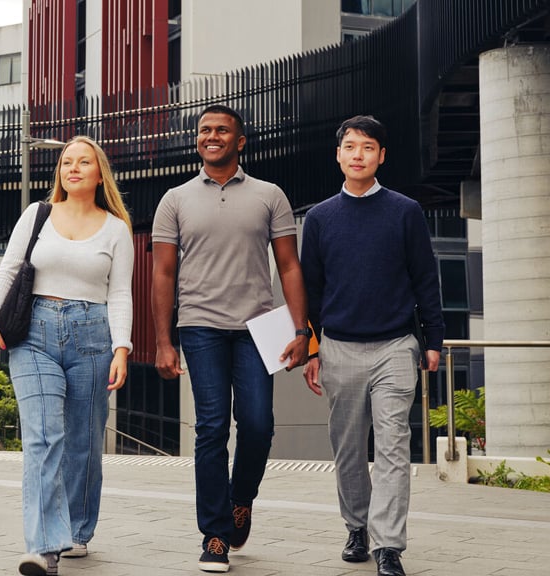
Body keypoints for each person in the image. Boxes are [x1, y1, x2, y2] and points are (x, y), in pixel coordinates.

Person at [151, 104, 310, 573]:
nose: (211, 136)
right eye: (204, 130)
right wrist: (163, 341)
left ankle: (242, 500)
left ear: (240, 141)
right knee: (212, 428)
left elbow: (289, 266)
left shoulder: (270, 195)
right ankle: (215, 535)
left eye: (222, 130)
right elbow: (162, 273)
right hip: (199, 327)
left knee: (259, 425)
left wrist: (302, 331)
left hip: (257, 329)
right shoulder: (175, 199)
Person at [0, 135, 134, 576]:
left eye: (84, 162)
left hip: (93, 336)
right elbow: (9, 269)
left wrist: (122, 347)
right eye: (67, 162)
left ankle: (78, 530)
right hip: (34, 334)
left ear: (99, 172)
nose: (74, 168)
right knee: (43, 438)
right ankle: (45, 546)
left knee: (83, 442)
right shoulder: (37, 215)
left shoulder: (116, 229)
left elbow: (120, 294)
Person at [300, 115, 444, 576]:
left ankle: (388, 546)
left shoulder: (405, 211)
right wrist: (313, 348)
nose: (358, 154)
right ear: (338, 155)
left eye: (368, 147)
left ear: (381, 155)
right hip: (339, 346)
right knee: (347, 448)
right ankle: (356, 527)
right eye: (350, 146)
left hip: (396, 347)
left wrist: (433, 340)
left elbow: (426, 278)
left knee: (393, 447)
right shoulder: (320, 218)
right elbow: (311, 290)